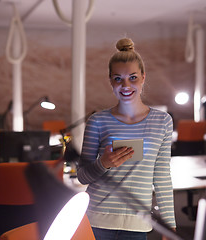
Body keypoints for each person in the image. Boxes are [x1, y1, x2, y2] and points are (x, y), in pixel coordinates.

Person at [77, 38, 176, 240]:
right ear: (110, 81)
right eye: (118, 79)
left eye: (133, 77)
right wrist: (103, 163)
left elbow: (162, 177)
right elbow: (82, 176)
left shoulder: (162, 121)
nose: (126, 85)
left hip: (137, 224)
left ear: (143, 78)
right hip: (96, 220)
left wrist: (170, 225)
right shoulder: (97, 121)